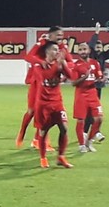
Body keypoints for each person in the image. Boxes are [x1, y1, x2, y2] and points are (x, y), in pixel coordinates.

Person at [19, 26, 70, 151]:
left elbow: (70, 62)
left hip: (51, 84)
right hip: (37, 82)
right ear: (50, 35)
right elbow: (28, 57)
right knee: (32, 111)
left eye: (62, 36)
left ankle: (38, 140)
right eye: (58, 35)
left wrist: (66, 71)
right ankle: (22, 134)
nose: (60, 38)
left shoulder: (61, 48)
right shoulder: (43, 45)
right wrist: (40, 61)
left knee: (48, 114)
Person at [29, 41, 75, 169]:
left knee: (64, 128)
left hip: (57, 103)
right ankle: (43, 158)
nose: (57, 52)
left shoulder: (59, 64)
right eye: (55, 50)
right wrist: (58, 65)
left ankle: (61, 157)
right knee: (43, 131)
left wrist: (64, 64)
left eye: (58, 50)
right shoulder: (39, 65)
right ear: (47, 52)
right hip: (43, 105)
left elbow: (71, 77)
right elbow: (46, 76)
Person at [86, 22, 109, 142]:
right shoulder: (91, 56)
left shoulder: (102, 57)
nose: (98, 49)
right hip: (88, 86)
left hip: (97, 86)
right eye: (97, 47)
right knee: (90, 110)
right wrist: (97, 33)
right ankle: (91, 133)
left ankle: (93, 132)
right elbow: (91, 45)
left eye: (100, 47)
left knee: (95, 110)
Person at [71, 43, 105, 153]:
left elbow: (99, 76)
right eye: (80, 49)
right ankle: (81, 145)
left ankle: (89, 141)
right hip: (81, 95)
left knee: (99, 119)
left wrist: (101, 79)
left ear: (89, 50)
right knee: (81, 120)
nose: (83, 51)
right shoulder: (76, 66)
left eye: (84, 49)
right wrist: (85, 77)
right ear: (78, 52)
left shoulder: (95, 63)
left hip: (93, 94)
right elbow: (73, 83)